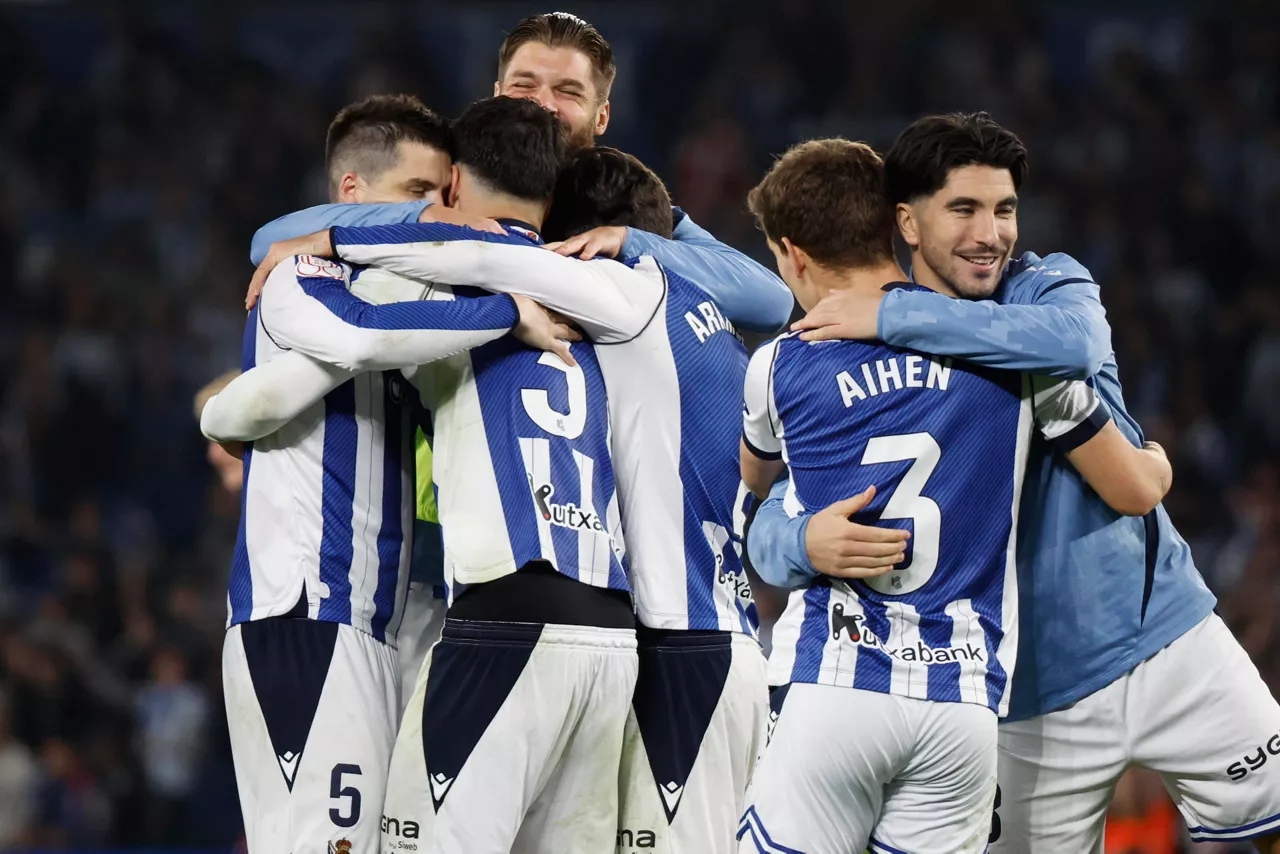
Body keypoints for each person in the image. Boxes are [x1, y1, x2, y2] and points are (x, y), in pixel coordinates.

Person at [752, 112, 1280, 852]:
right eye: (964, 209)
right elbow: (782, 501)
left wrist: (898, 313)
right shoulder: (859, 347)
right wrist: (801, 541)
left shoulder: (1044, 292)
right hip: (1020, 696)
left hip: (1164, 635)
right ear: (906, 221)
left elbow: (1077, 345)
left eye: (1004, 209)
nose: (990, 234)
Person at [268, 145, 769, 852]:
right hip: (700, 641)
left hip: (675, 647)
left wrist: (331, 241)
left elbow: (483, 257)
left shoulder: (632, 292)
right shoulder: (715, 327)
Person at [221, 96, 638, 854]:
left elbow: (248, 408)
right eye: (416, 193)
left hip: (381, 621)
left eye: (440, 193)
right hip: (307, 609)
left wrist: (226, 415)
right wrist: (505, 313)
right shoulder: (304, 273)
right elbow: (351, 339)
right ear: (350, 194)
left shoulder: (414, 298)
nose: (435, 211)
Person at [246, 12, 794, 336]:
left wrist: (629, 241)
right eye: (524, 85)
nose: (543, 104)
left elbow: (769, 300)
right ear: (497, 93)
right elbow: (269, 242)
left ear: (602, 116)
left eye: (568, 91)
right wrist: (424, 214)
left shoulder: (615, 203)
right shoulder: (455, 182)